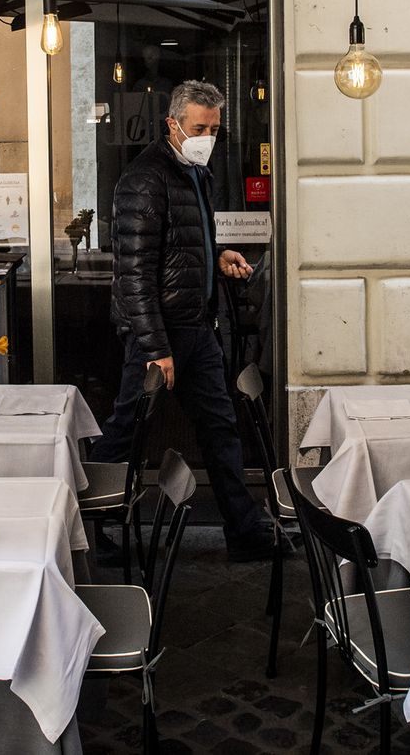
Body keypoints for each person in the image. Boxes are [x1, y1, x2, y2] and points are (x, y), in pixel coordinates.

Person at [93, 79, 272, 561]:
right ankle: (87, 530)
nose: (208, 138)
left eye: (214, 129)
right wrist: (155, 348)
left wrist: (217, 257)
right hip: (158, 336)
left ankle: (245, 532)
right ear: (172, 124)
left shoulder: (196, 172)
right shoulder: (144, 180)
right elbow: (133, 274)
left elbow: (178, 246)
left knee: (221, 431)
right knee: (126, 434)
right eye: (199, 127)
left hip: (197, 329)